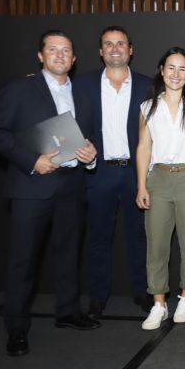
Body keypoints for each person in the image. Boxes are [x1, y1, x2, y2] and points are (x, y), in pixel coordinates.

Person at [0, 29, 100, 356]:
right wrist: (32, 161)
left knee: (68, 254)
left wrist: (90, 155)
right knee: (23, 260)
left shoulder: (82, 94)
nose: (60, 55)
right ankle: (17, 327)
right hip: (31, 186)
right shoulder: (19, 89)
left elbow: (86, 138)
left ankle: (67, 312)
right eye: (53, 50)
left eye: (66, 51)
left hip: (71, 186)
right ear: (41, 56)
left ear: (74, 59)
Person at [74, 26, 153, 319]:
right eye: (108, 43)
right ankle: (97, 297)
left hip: (137, 173)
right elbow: (54, 102)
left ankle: (143, 292)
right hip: (98, 173)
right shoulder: (80, 85)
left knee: (140, 237)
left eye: (120, 43)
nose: (115, 48)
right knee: (98, 238)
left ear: (130, 50)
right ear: (100, 51)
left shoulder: (149, 85)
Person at [135, 47, 185, 331]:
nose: (176, 74)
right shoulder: (147, 107)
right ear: (162, 70)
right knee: (156, 245)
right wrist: (141, 184)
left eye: (182, 69)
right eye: (171, 68)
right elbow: (144, 147)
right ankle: (159, 304)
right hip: (159, 178)